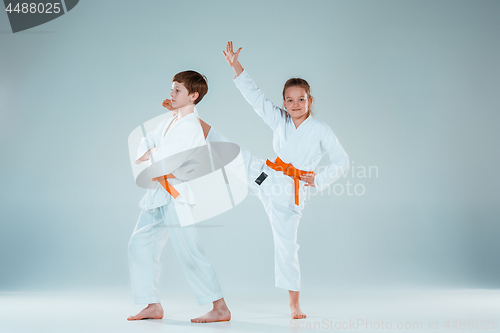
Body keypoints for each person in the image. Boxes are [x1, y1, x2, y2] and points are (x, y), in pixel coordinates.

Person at [223, 41, 349, 319]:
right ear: (283, 102)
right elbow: (255, 98)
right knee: (232, 152)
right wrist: (235, 65)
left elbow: (342, 161)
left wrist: (319, 179)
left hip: (290, 194)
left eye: (301, 99)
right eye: (289, 100)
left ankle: (294, 304)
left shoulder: (320, 130)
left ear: (310, 101)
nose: (295, 105)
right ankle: (197, 132)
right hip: (266, 176)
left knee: (287, 246)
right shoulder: (279, 119)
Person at [127, 70, 231, 323]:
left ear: (193, 96)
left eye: (177, 90)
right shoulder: (171, 120)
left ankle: (220, 307)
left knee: (189, 251)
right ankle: (152, 304)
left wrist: (151, 153)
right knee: (139, 244)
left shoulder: (191, 126)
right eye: (171, 89)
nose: (171, 94)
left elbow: (167, 158)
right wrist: (151, 151)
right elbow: (147, 141)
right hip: (158, 192)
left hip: (175, 193)